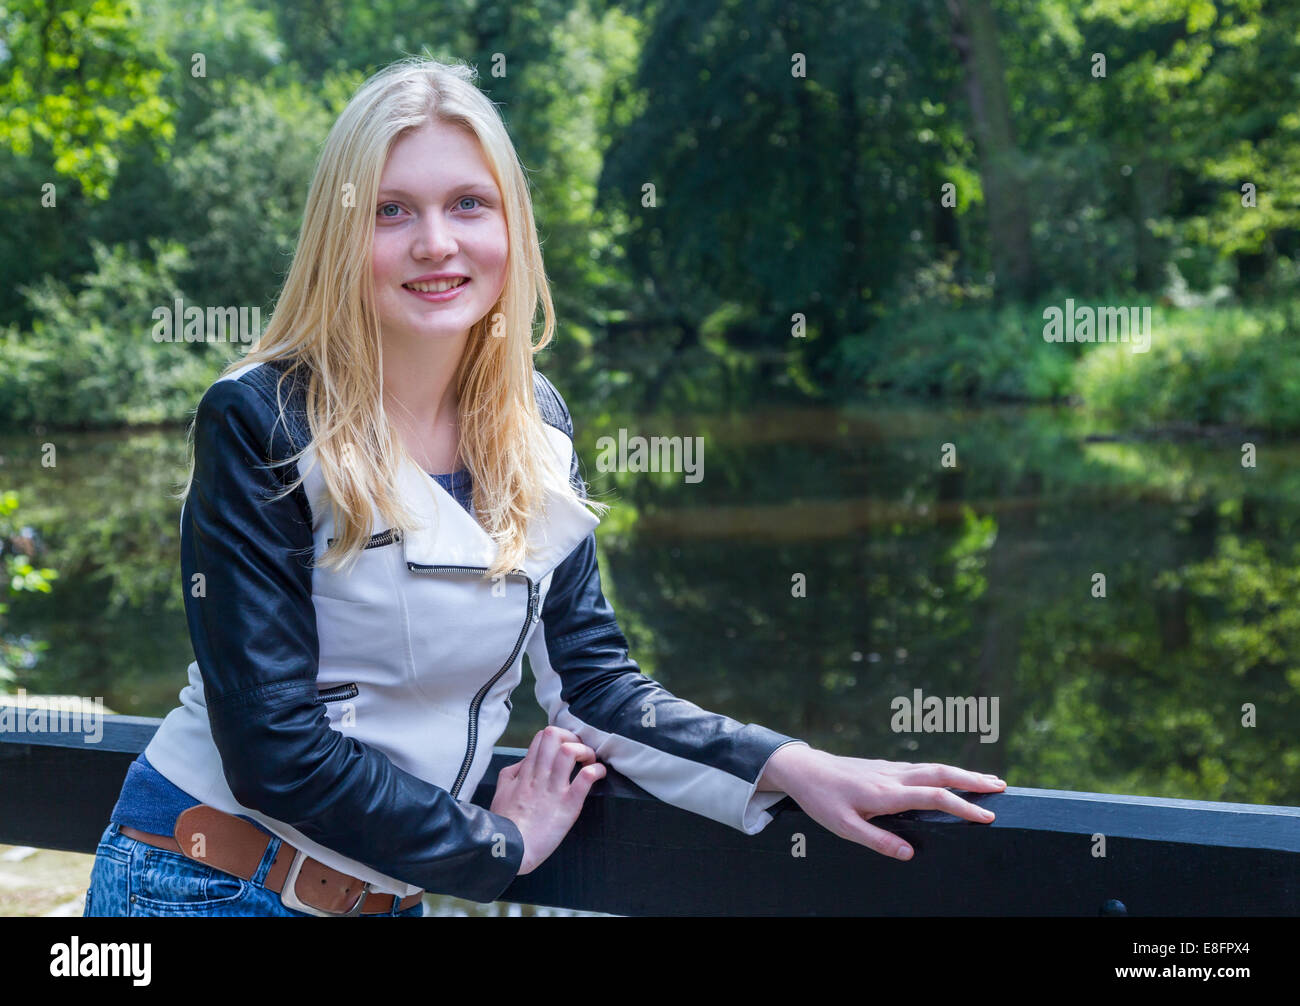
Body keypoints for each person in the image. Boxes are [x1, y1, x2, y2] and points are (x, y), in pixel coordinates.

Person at [82, 56, 1005, 918]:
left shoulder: (535, 426)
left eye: (469, 204)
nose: (436, 243)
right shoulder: (261, 419)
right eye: (392, 212)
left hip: (384, 899)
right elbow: (274, 750)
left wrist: (791, 766)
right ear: (341, 232)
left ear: (511, 227)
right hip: (199, 882)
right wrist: (495, 845)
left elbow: (596, 685)